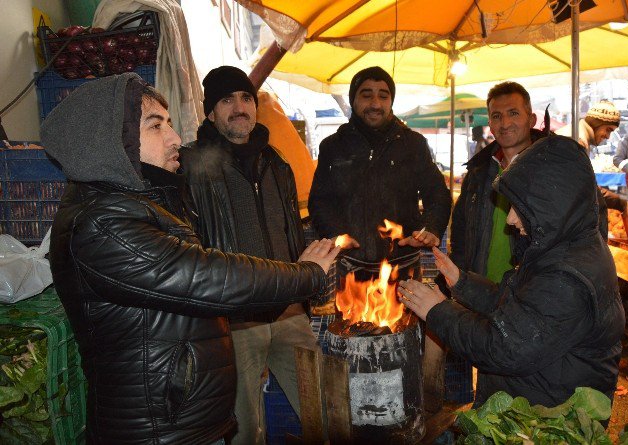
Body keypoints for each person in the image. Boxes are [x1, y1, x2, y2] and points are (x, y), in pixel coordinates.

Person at [41, 72, 338, 445]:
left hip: (182, 418)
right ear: (110, 141)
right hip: (160, 428)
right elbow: (205, 275)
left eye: (169, 123)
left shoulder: (138, 204)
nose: (175, 138)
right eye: (155, 125)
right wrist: (306, 275)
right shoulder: (104, 223)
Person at [398, 135, 625, 409]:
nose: (510, 219)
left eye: (519, 207)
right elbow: (518, 308)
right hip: (536, 402)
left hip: (545, 424)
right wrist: (462, 283)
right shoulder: (564, 247)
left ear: (551, 205)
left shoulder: (566, 277)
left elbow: (502, 347)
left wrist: (438, 311)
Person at [179, 66, 323, 445]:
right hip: (235, 320)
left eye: (245, 98)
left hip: (289, 311)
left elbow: (291, 230)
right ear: (211, 112)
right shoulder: (190, 166)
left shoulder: (277, 164)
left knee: (320, 413)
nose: (239, 107)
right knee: (245, 431)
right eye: (227, 100)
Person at [308, 66, 451, 282]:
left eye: (383, 96)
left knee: (411, 316)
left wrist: (430, 227)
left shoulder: (413, 144)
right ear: (353, 100)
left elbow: (437, 193)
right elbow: (320, 201)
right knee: (350, 319)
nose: (375, 104)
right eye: (366, 95)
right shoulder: (333, 147)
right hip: (350, 269)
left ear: (390, 101)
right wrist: (334, 233)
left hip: (404, 269)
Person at [450, 81, 544, 283]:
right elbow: (460, 228)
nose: (505, 123)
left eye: (514, 113)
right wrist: (458, 280)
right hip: (479, 290)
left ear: (532, 119)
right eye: (496, 116)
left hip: (532, 292)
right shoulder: (479, 171)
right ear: (490, 125)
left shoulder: (554, 167)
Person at [557, 100, 628, 215]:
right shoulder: (576, 140)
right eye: (608, 129)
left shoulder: (579, 135)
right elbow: (584, 189)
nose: (608, 136)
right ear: (596, 123)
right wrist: (623, 204)